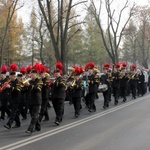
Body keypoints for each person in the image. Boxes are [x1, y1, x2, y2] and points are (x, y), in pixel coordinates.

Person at [25, 63, 43, 134]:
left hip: (37, 100)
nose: (31, 76)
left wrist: (29, 85)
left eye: (33, 75)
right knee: (33, 115)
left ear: (36, 75)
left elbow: (37, 89)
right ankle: (38, 127)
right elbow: (26, 90)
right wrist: (25, 86)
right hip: (30, 100)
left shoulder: (39, 81)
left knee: (34, 115)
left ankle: (30, 129)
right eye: (31, 75)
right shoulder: (29, 81)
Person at [4, 64, 22, 129]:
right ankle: (18, 123)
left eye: (11, 77)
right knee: (14, 112)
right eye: (10, 76)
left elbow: (17, 89)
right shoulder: (10, 82)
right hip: (11, 99)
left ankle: (9, 124)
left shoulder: (18, 82)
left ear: (14, 77)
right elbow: (8, 91)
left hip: (17, 99)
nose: (10, 78)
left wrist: (10, 87)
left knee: (13, 112)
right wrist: (5, 87)